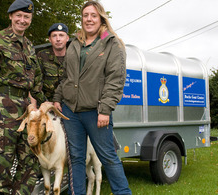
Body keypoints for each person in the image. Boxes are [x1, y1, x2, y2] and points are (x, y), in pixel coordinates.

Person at [53, 1, 132, 194]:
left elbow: (115, 80)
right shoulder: (74, 43)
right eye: (85, 15)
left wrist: (105, 110)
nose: (89, 19)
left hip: (96, 113)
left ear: (101, 18)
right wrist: (57, 97)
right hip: (71, 111)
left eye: (93, 15)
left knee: (108, 157)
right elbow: (66, 76)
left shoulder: (113, 43)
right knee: (76, 158)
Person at [0, 0, 47, 194]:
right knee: (2, 165)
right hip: (1, 108)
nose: (22, 20)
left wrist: (46, 103)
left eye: (26, 17)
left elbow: (37, 81)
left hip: (26, 111)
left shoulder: (30, 46)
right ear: (10, 16)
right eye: (19, 16)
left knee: (31, 163)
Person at [36, 23, 69, 102]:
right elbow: (36, 83)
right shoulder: (42, 56)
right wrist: (45, 102)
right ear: (50, 39)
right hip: (46, 103)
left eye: (61, 35)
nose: (58, 39)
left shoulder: (74, 55)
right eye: (54, 36)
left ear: (67, 38)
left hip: (69, 105)